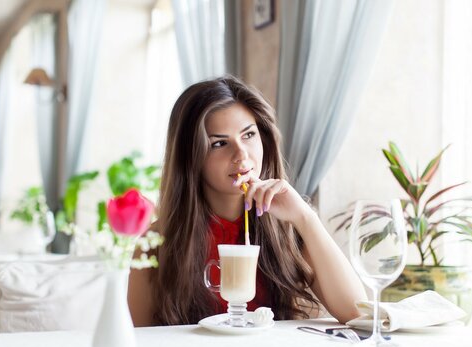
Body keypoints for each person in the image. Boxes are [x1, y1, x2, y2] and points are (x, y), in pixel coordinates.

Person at [129, 76, 366, 326]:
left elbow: (357, 314)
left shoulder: (290, 231)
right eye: (219, 143)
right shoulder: (155, 245)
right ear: (191, 158)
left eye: (249, 135)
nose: (241, 154)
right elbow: (142, 343)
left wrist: (305, 218)